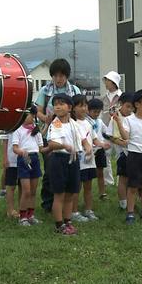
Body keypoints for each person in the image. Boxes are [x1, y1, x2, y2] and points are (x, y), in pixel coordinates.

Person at [35, 59, 81, 212]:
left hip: (70, 133)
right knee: (50, 169)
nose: (58, 79)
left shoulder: (74, 90)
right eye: (55, 75)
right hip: (50, 134)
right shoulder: (45, 90)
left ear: (67, 75)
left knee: (70, 168)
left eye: (61, 75)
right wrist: (45, 119)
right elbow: (38, 111)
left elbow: (79, 111)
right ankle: (49, 203)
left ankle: (67, 203)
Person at [113, 89, 142, 224]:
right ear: (137, 104)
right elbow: (125, 137)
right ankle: (130, 213)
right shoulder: (129, 120)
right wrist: (118, 122)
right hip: (134, 156)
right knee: (133, 186)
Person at [46, 93, 90, 235]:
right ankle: (59, 225)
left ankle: (67, 221)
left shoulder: (74, 124)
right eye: (55, 104)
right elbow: (52, 143)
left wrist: (88, 147)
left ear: (70, 107)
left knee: (71, 193)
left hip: (74, 159)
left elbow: (83, 140)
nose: (57, 106)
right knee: (59, 194)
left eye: (61, 103)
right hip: (59, 160)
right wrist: (64, 145)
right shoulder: (56, 123)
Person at [72, 95, 109, 222]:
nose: (83, 108)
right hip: (79, 161)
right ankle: (74, 211)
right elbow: (82, 140)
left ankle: (88, 210)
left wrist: (103, 144)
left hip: (89, 161)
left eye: (85, 105)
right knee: (77, 186)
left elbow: (94, 139)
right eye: (80, 106)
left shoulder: (88, 123)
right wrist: (87, 147)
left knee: (88, 186)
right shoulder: (72, 123)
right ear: (73, 108)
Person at [11, 106, 44, 226]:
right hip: (24, 160)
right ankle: (23, 217)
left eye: (29, 114)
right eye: (25, 115)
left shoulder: (36, 131)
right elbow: (15, 148)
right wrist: (22, 152)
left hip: (35, 159)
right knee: (26, 191)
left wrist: (53, 148)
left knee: (34, 191)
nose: (27, 117)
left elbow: (41, 148)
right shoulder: (18, 130)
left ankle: (31, 215)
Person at [107, 92, 133, 210]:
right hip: (122, 153)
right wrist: (121, 143)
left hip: (133, 152)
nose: (130, 109)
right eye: (128, 106)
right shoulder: (115, 118)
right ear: (120, 104)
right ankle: (123, 203)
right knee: (123, 179)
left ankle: (131, 200)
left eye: (132, 107)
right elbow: (110, 136)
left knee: (132, 178)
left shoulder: (133, 118)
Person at [99, 71, 123, 188]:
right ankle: (108, 181)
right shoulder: (104, 97)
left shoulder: (122, 97)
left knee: (120, 155)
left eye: (107, 80)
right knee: (106, 155)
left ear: (114, 82)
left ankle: (121, 181)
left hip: (118, 130)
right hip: (105, 130)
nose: (106, 83)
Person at [86, 98, 109, 201]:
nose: (96, 114)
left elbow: (107, 132)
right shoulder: (85, 122)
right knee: (88, 175)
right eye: (94, 112)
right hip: (89, 150)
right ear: (88, 110)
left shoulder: (99, 121)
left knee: (100, 172)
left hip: (100, 149)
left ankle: (102, 193)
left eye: (98, 112)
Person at [1, 133, 19, 219]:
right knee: (11, 186)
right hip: (12, 159)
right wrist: (5, 158)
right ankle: (10, 210)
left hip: (24, 158)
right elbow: (5, 140)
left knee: (23, 185)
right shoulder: (9, 122)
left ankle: (21, 209)